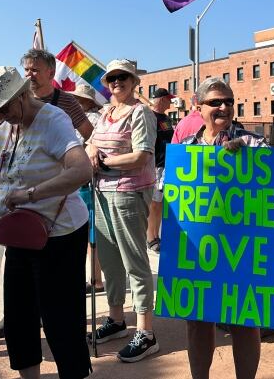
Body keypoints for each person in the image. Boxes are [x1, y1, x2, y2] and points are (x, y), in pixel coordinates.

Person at [0, 66, 93, 379]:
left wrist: (29, 194)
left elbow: (81, 171)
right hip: (20, 232)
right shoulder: (3, 128)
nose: (1, 114)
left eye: (5, 107)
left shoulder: (53, 119)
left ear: (22, 94)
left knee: (60, 318)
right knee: (18, 317)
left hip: (60, 233)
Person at [180, 77, 265, 379]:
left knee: (245, 319)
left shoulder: (254, 143)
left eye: (228, 101)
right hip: (198, 246)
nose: (224, 107)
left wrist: (251, 161)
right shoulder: (185, 150)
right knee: (198, 320)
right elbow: (170, 197)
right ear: (197, 106)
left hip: (242, 248)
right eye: (215, 101)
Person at [85, 59, 160, 362]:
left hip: (129, 193)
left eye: (123, 77)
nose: (117, 82)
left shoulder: (141, 113)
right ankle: (117, 319)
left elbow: (141, 156)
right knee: (110, 258)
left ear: (134, 81)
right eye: (112, 78)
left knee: (134, 260)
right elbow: (91, 143)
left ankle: (146, 332)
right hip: (102, 193)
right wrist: (92, 153)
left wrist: (103, 163)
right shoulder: (105, 112)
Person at [72, 83, 106, 293]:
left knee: (87, 233)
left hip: (85, 181)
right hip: (88, 181)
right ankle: (96, 278)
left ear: (85, 102)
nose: (74, 102)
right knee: (91, 234)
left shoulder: (89, 121)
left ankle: (95, 279)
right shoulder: (97, 119)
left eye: (77, 99)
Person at [146, 87, 175, 253]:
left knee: (161, 203)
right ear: (161, 99)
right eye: (168, 99)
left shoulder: (166, 118)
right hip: (156, 165)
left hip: (167, 164)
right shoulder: (150, 116)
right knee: (154, 204)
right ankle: (151, 237)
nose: (170, 102)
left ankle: (157, 235)